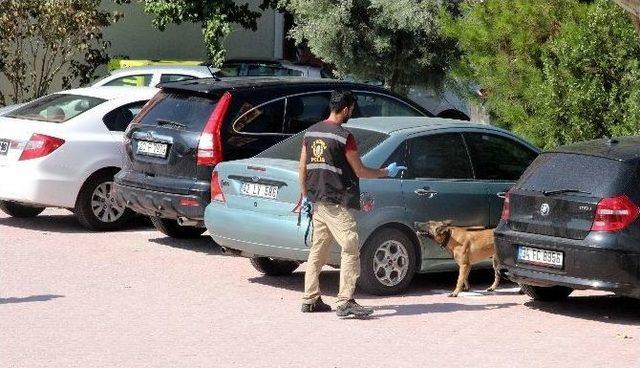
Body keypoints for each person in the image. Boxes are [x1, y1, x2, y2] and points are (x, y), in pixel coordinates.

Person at [299, 89, 406, 317]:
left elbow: (303, 166)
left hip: (318, 201)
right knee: (350, 245)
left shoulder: (311, 132)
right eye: (352, 109)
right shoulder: (343, 136)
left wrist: (305, 196)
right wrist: (387, 172)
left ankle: (310, 299)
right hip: (335, 202)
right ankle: (345, 301)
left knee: (318, 249)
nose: (352, 112)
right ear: (346, 108)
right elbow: (360, 170)